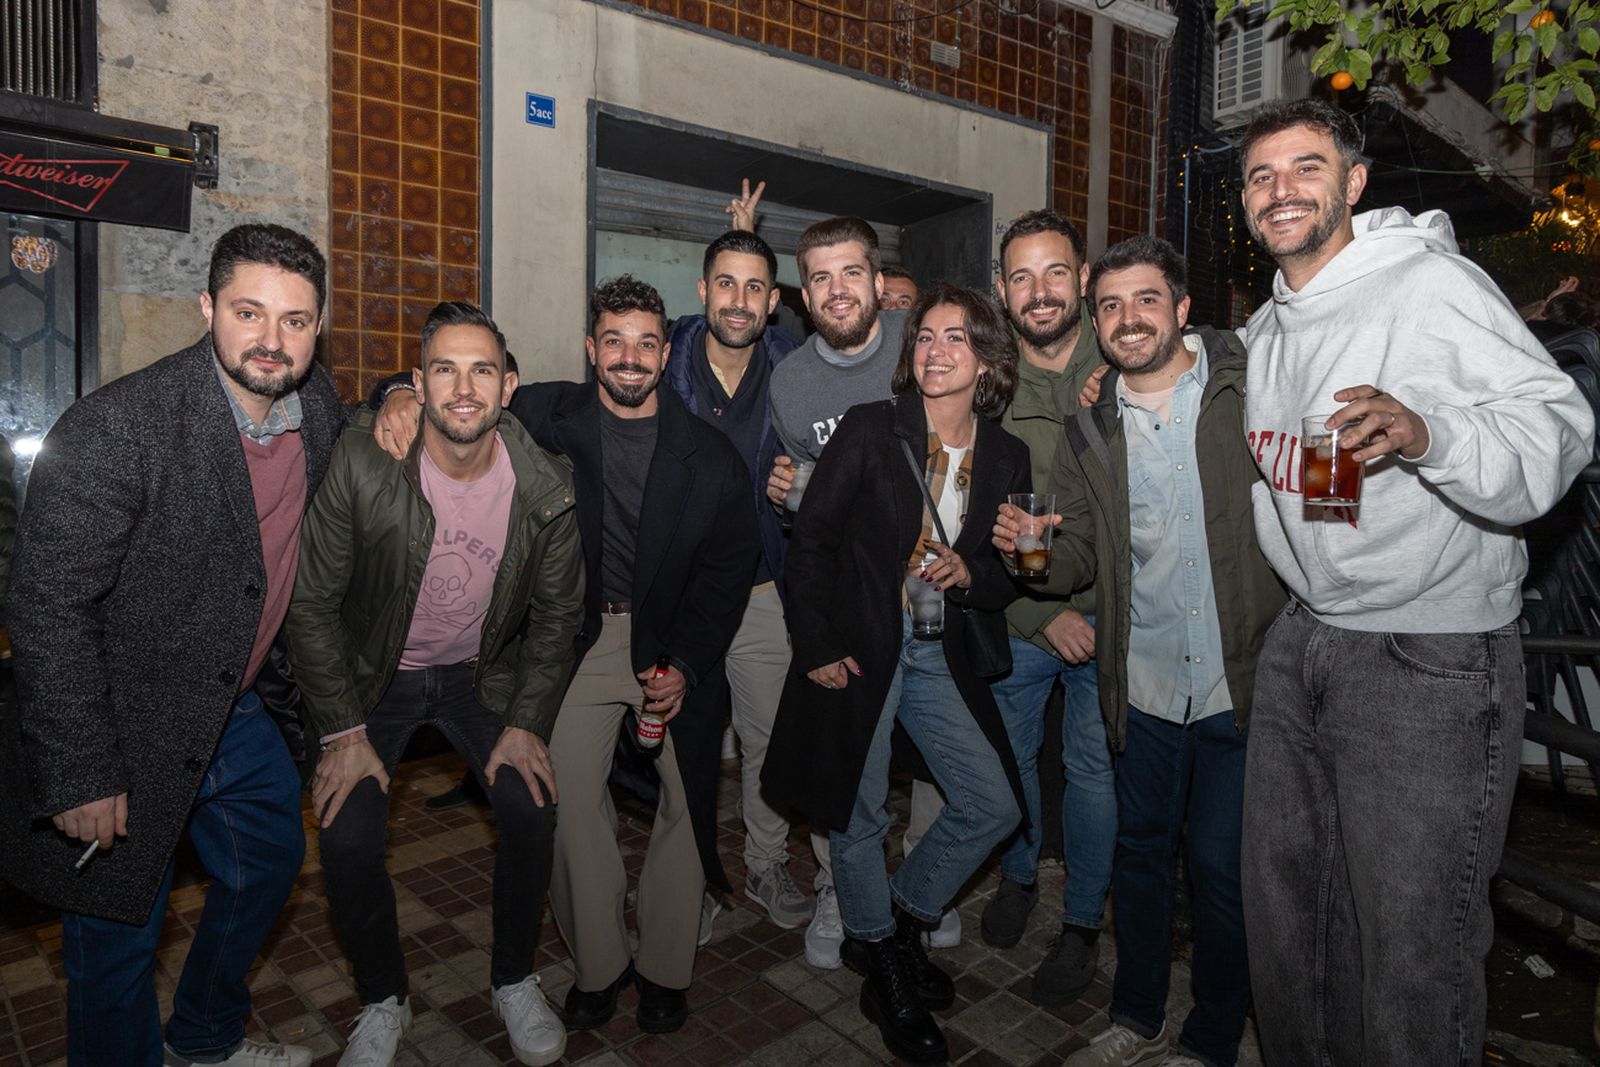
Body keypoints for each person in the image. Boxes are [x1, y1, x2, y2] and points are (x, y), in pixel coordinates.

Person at [1236, 98, 1594, 1065]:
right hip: (1309, 638)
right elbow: (1319, 487)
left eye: (1306, 168)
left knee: (1412, 952)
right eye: (1262, 176)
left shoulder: (1430, 287)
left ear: (1353, 184)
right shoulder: (1270, 326)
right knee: (1292, 928)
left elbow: (1557, 428)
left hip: (1426, 653)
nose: (1282, 190)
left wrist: (1431, 433)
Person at [373, 276, 758, 1035]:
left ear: (666, 350)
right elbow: (463, 389)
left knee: (686, 805)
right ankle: (601, 963)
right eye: (613, 340)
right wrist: (395, 392)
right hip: (579, 637)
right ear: (592, 348)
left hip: (672, 644)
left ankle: (665, 968)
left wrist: (687, 659)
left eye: (646, 342)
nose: (629, 356)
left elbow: (728, 569)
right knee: (565, 795)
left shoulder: (707, 456)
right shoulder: (552, 413)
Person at [0, 224, 347, 1067]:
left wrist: (406, 392)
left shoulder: (319, 411)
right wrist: (82, 769)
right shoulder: (119, 428)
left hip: (229, 707)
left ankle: (202, 1039)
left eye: (296, 320)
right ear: (207, 308)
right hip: (117, 721)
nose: (272, 340)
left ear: (319, 326)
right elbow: (46, 608)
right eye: (249, 313)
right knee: (118, 937)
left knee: (270, 859)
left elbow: (369, 423)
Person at [996, 236, 1282, 1067]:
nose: (1128, 319)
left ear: (1182, 309)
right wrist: (1032, 548)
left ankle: (1214, 1036)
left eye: (1147, 300)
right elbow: (1080, 559)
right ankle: (1137, 1015)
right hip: (1146, 684)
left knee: (1222, 874)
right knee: (1143, 859)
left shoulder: (1243, 390)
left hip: (1239, 682)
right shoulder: (1091, 426)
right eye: (1113, 305)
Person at [286, 303, 584, 1066]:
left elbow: (557, 614)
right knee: (346, 835)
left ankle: (514, 978)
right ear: (416, 383)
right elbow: (311, 602)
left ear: (507, 385)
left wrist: (526, 720)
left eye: (481, 369)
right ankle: (384, 997)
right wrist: (344, 731)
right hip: (372, 677)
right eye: (444, 368)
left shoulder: (545, 486)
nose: (463, 387)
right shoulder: (364, 462)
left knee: (531, 803)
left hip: (476, 675)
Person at [764, 282, 1030, 1064]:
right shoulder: (870, 428)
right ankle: (883, 961)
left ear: (987, 361)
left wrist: (972, 570)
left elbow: (1008, 573)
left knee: (992, 803)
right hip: (859, 646)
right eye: (925, 338)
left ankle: (897, 919)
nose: (936, 351)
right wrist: (813, 644)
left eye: (956, 338)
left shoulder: (1008, 453)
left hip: (937, 648)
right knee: (857, 811)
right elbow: (809, 543)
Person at [764, 214, 916, 967]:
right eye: (820, 277)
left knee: (941, 763)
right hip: (853, 603)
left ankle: (915, 889)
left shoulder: (922, 341)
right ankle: (841, 887)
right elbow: (806, 507)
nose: (837, 289)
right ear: (802, 292)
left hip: (932, 591)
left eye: (851, 271)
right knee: (848, 759)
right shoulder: (790, 382)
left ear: (880, 282)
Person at [978, 209, 1112, 1009]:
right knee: (1012, 755)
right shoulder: (988, 386)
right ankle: (1021, 872)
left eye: (1055, 272)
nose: (1039, 291)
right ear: (1002, 289)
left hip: (1112, 616)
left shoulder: (1132, 355)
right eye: (1021, 276)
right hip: (1022, 614)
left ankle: (1082, 923)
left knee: (1093, 770)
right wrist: (1038, 618)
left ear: (1084, 277)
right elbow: (963, 523)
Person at [664, 229, 810, 933]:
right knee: (681, 747)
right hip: (679, 599)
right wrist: (395, 392)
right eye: (726, 283)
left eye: (755, 287)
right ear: (702, 290)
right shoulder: (660, 356)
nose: (739, 300)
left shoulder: (794, 364)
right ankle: (684, 875)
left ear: (774, 301)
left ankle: (765, 862)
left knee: (769, 740)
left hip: (759, 593)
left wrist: (797, 484)